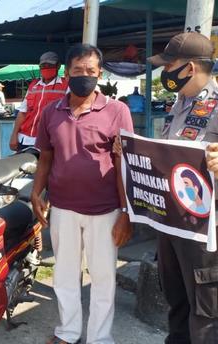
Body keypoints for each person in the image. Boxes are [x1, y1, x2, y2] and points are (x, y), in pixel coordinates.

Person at [141, 32, 218, 343]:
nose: (164, 72)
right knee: (178, 306)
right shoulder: (179, 103)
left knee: (206, 317)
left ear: (190, 67)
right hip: (173, 225)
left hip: (207, 230)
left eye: (168, 65)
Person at [30, 44, 134, 344]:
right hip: (62, 207)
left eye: (90, 71)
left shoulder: (117, 111)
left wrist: (126, 213)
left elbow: (123, 164)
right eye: (78, 70)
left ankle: (100, 338)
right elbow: (46, 157)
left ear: (99, 73)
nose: (84, 76)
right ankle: (68, 332)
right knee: (64, 275)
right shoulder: (52, 112)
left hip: (105, 210)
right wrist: (37, 192)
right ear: (66, 73)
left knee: (102, 279)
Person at [10, 51, 68, 151]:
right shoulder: (33, 85)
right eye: (43, 65)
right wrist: (14, 135)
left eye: (50, 65)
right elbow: (22, 113)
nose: (46, 67)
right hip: (24, 139)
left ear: (58, 66)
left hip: (48, 141)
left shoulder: (66, 85)